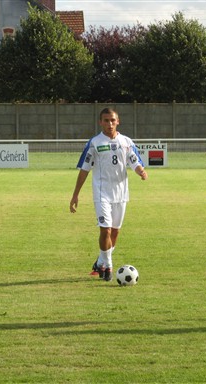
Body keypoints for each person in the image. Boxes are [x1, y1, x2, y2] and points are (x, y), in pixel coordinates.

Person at [70, 107, 147, 281]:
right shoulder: (95, 143)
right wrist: (75, 195)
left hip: (121, 194)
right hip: (101, 193)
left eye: (112, 120)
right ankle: (109, 266)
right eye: (106, 120)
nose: (109, 124)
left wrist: (141, 172)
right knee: (105, 230)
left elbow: (135, 162)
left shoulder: (126, 142)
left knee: (115, 233)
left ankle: (100, 262)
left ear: (118, 121)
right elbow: (84, 169)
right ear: (100, 122)